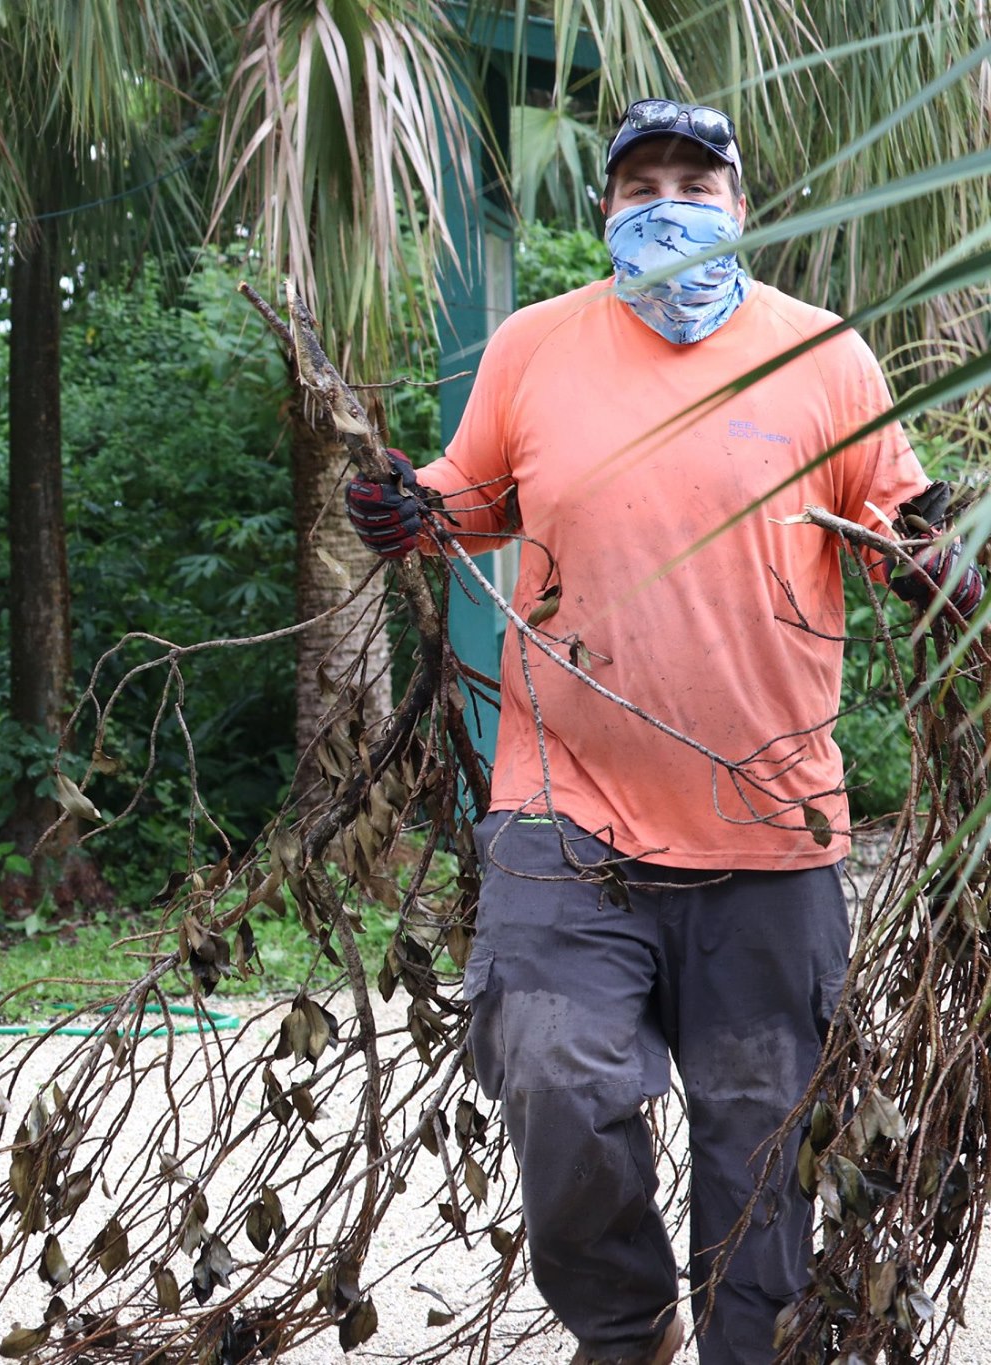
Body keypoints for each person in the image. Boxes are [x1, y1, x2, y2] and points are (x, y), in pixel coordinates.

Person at [343, 100, 981, 1365]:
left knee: (761, 1141)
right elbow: (466, 503)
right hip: (562, 809)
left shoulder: (822, 354)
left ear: (736, 206)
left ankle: (749, 1348)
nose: (667, 202)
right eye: (640, 185)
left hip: (769, 822)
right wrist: (401, 511)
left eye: (693, 181)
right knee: (551, 1076)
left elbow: (898, 520)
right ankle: (626, 1328)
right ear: (606, 214)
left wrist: (934, 562)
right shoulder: (535, 346)